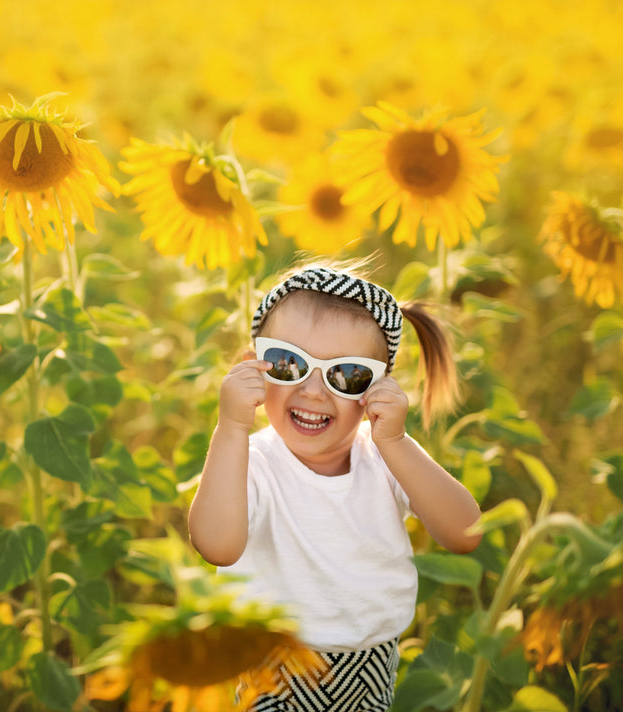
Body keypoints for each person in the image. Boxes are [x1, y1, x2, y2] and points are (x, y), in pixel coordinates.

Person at [188, 263, 483, 712]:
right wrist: (230, 426)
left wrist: (397, 442)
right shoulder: (252, 463)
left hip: (371, 669)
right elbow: (215, 544)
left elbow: (466, 532)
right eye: (289, 364)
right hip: (272, 668)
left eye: (346, 374)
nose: (312, 391)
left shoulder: (386, 458)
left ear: (378, 389)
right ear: (254, 368)